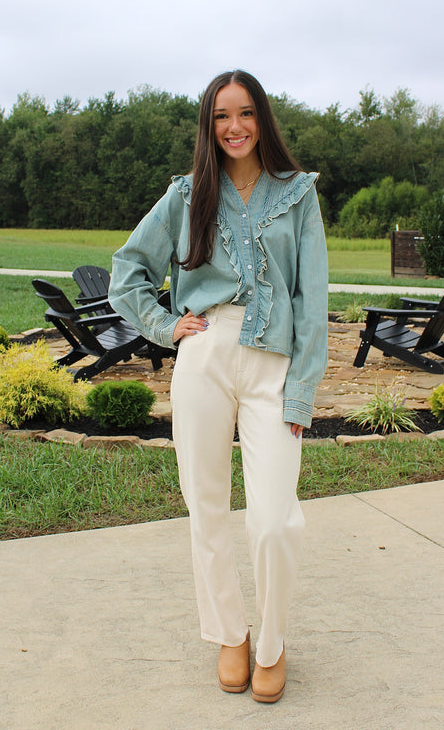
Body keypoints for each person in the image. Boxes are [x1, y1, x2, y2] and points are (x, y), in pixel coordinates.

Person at [109, 70, 328, 703]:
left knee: (273, 520)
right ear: (208, 126)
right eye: (220, 116)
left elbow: (311, 297)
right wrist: (164, 325)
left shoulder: (298, 193)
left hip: (274, 366)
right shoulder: (186, 194)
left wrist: (303, 390)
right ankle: (231, 634)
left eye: (246, 113)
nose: (234, 127)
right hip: (203, 357)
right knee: (206, 506)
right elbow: (128, 269)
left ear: (263, 120)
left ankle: (273, 643)